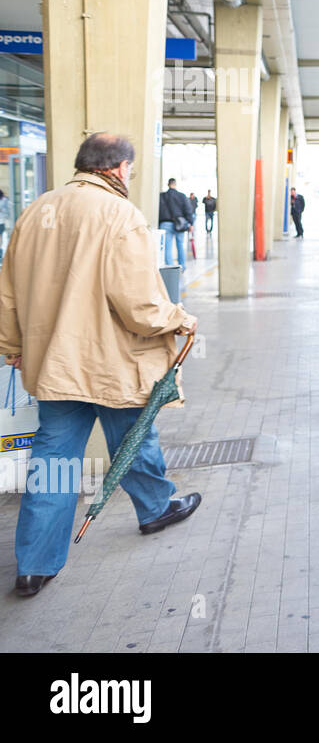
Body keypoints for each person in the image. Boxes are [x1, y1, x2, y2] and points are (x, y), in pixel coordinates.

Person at [0, 133, 201, 597]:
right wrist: (180, 318)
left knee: (52, 461)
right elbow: (139, 305)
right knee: (133, 437)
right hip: (108, 361)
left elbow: (7, 290)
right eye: (130, 169)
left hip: (54, 364)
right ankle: (155, 510)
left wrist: (12, 344)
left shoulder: (36, 210)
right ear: (118, 168)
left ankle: (34, 565)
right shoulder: (120, 214)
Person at [158, 178, 193, 270]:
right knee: (180, 245)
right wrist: (190, 223)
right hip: (180, 224)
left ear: (168, 184)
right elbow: (188, 209)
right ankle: (182, 267)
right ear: (175, 184)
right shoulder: (181, 196)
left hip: (165, 223)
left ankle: (170, 268)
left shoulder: (162, 196)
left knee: (167, 248)